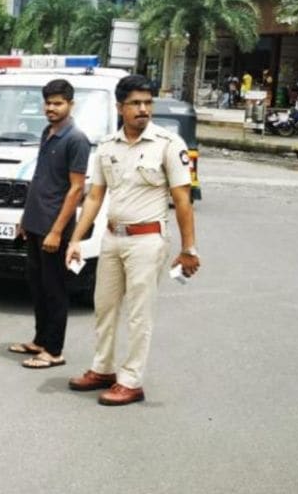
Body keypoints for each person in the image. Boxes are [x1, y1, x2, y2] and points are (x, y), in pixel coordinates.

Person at [64, 74, 200, 406]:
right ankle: (103, 369)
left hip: (147, 240)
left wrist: (188, 249)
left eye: (147, 103)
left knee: (140, 314)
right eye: (135, 104)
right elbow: (95, 197)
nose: (143, 109)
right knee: (105, 307)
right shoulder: (107, 146)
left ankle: (131, 380)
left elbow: (182, 200)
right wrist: (76, 239)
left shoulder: (169, 144)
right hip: (112, 237)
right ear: (120, 107)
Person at [10, 79, 90, 369]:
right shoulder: (48, 133)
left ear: (70, 104)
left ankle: (54, 350)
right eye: (48, 103)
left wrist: (57, 231)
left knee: (54, 289)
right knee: (38, 286)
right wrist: (25, 219)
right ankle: (40, 340)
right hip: (35, 223)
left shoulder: (76, 139)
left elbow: (75, 189)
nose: (51, 108)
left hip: (54, 227)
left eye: (58, 103)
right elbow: (41, 179)